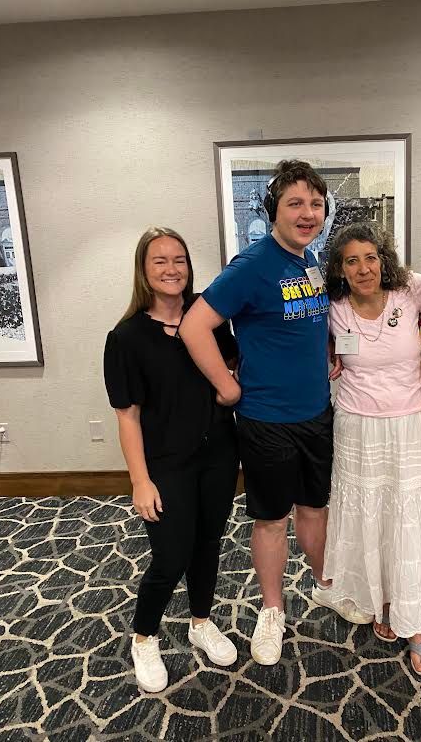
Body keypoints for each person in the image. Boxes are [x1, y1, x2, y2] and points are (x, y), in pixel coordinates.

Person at [178, 160, 362, 666]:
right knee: (270, 519)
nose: (308, 214)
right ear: (273, 211)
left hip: (317, 414)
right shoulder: (253, 265)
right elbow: (195, 327)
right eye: (295, 204)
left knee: (315, 508)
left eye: (316, 204)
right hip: (266, 420)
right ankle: (272, 610)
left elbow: (307, 323)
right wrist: (227, 388)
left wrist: (328, 354)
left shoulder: (312, 262)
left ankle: (324, 584)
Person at [103, 227, 239, 692]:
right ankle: (144, 637)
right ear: (143, 270)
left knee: (208, 544)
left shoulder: (212, 318)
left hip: (219, 453)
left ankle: (200, 623)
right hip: (166, 463)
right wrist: (140, 481)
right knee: (171, 554)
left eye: (179, 259)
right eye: (160, 261)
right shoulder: (126, 337)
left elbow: (233, 373)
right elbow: (128, 416)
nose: (171, 269)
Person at [323, 222, 421, 676]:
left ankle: (413, 622)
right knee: (372, 515)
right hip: (358, 428)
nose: (364, 269)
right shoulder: (332, 307)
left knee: (408, 515)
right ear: (340, 269)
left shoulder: (411, 291)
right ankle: (380, 598)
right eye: (352, 261)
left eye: (371, 257)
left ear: (384, 259)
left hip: (409, 424)